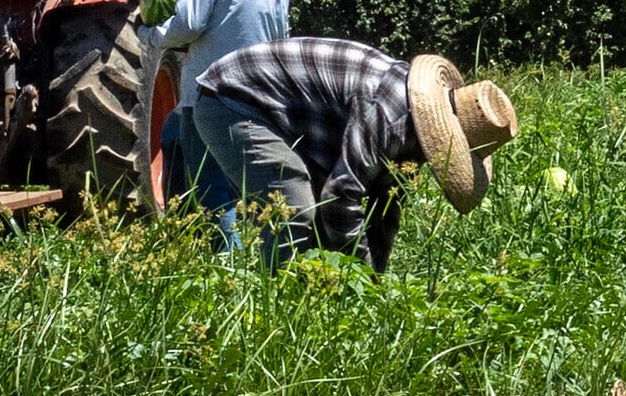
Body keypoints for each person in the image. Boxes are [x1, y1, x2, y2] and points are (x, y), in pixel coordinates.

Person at [190, 38, 517, 268]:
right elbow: (341, 196)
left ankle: (310, 308)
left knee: (318, 228)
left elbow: (385, 205)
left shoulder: (413, 135)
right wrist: (357, 274)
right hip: (233, 100)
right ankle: (276, 317)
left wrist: (374, 276)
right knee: (295, 211)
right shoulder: (391, 117)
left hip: (283, 114)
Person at [140, 0, 293, 244]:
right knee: (252, 184)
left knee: (212, 188)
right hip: (267, 90)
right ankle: (261, 261)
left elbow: (190, 23)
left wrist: (151, 36)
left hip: (213, 91)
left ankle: (224, 265)